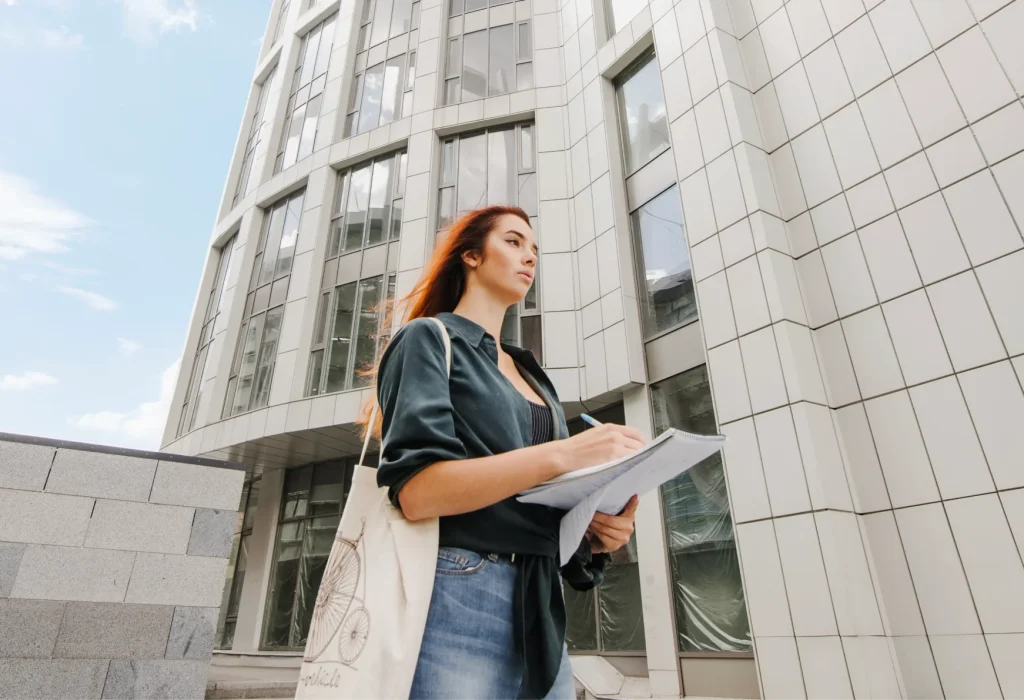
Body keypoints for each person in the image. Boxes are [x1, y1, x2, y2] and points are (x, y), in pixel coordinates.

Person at [362, 205, 646, 700]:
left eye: (534, 249)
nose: (529, 257)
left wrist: (597, 536)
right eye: (514, 242)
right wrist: (566, 455)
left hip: (540, 605)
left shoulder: (531, 374)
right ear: (471, 255)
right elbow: (420, 493)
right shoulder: (428, 339)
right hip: (457, 592)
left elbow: (532, 500)